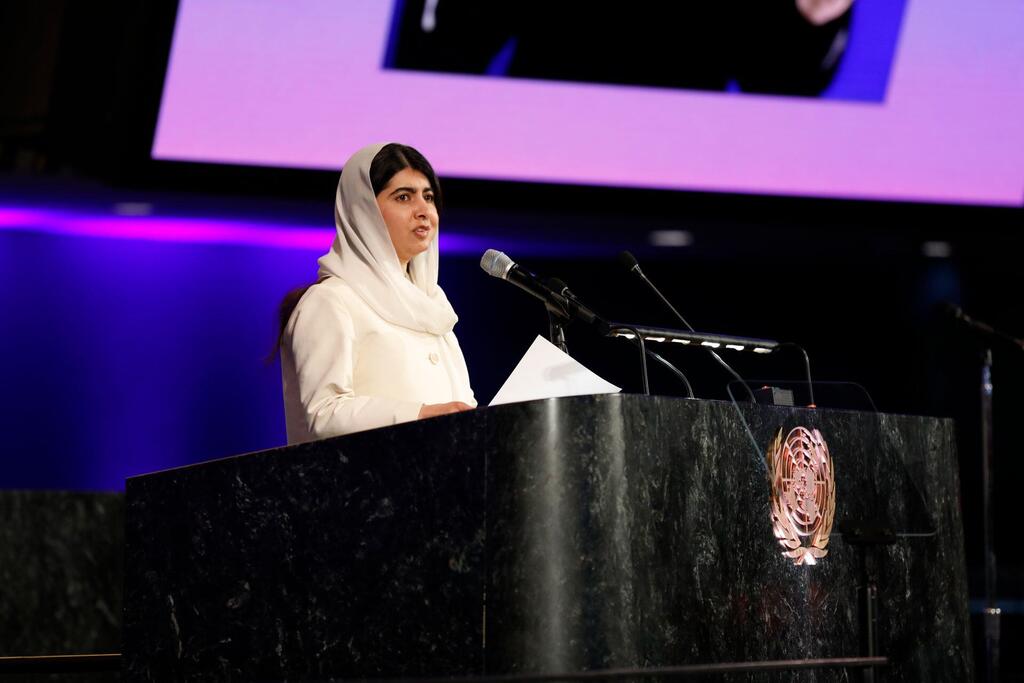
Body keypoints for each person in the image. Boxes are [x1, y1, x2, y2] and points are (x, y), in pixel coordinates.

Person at [279, 143, 475, 444]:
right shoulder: (332, 301)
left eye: (429, 197)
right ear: (363, 209)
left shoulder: (436, 312)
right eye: (404, 197)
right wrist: (420, 415)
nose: (423, 211)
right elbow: (324, 413)